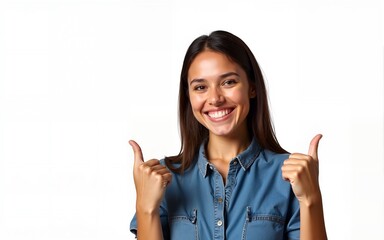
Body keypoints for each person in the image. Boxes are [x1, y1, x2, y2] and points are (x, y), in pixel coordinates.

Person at [129, 30, 327, 239]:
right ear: (188, 96)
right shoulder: (165, 178)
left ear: (252, 87)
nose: (214, 98)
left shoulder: (290, 176)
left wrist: (310, 199)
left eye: (228, 82)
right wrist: (145, 207)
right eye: (200, 87)